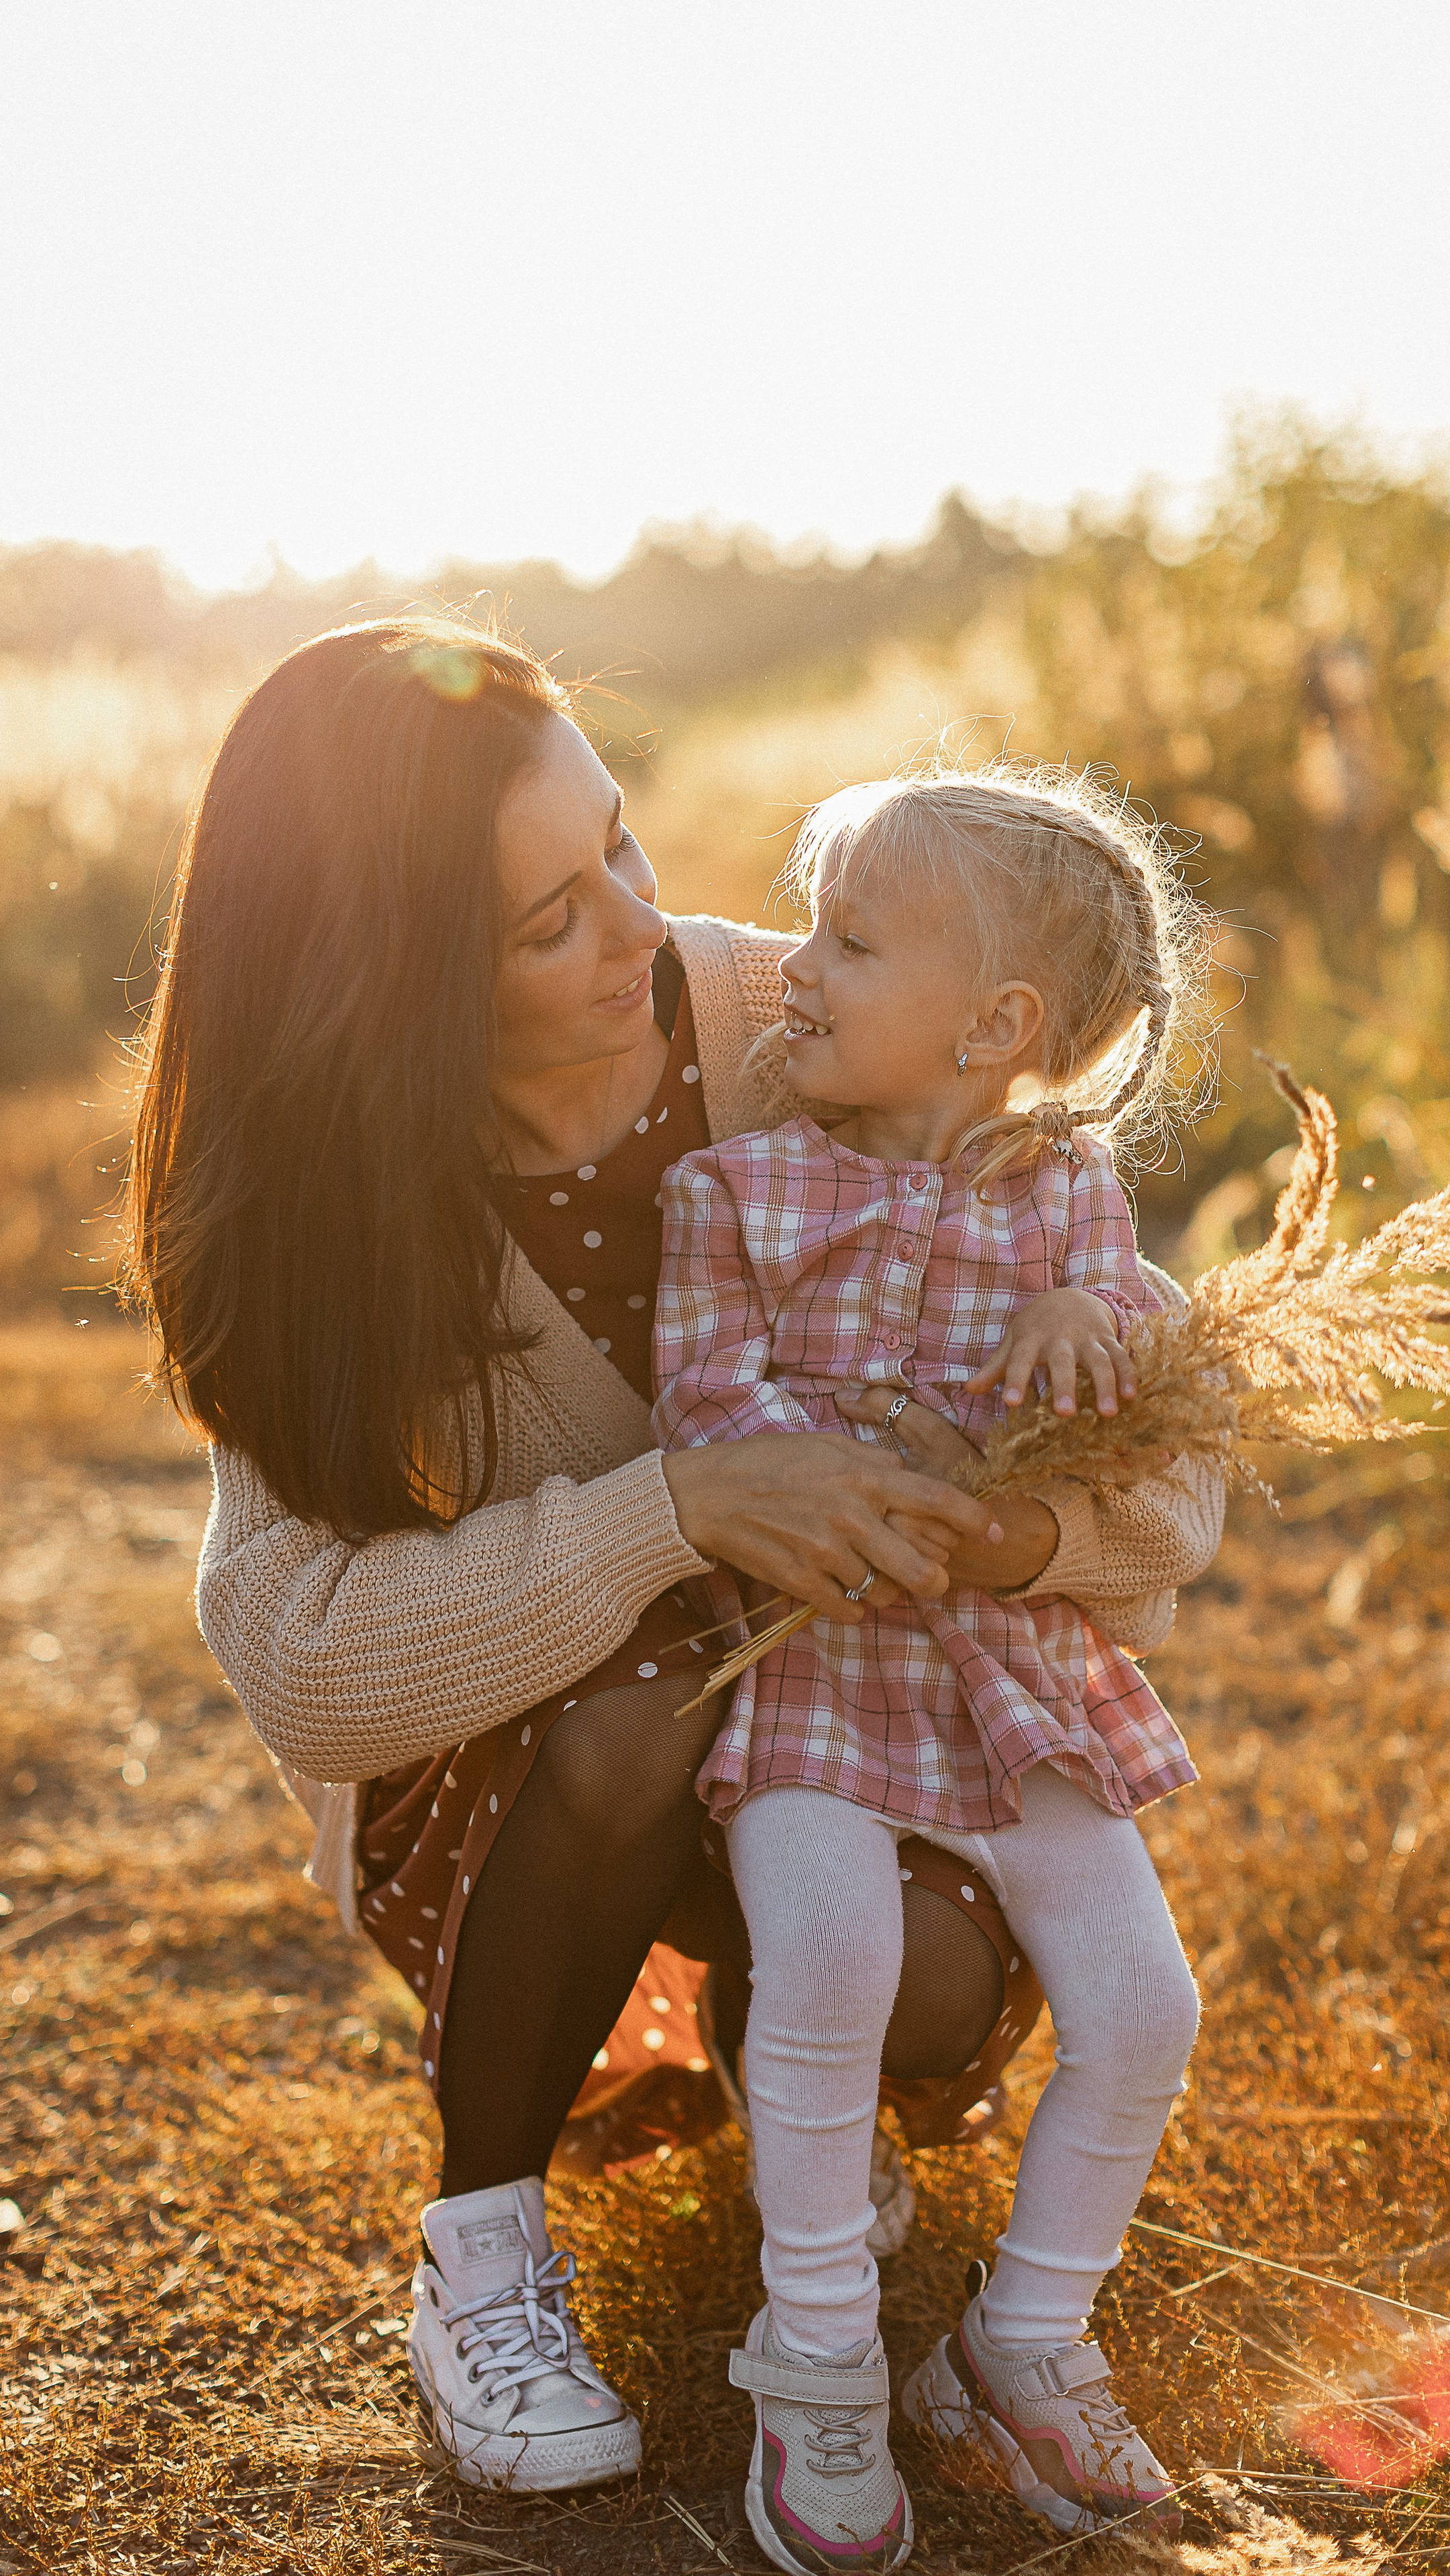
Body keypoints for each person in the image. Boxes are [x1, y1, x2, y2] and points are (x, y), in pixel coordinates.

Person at [125, 625, 1222, 2500]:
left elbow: (1162, 1472)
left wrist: (1022, 1524)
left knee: (943, 1990)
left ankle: (769, 2040)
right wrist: (677, 1511)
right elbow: (301, 1660)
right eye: (553, 919)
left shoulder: (796, 1023)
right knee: (638, 1710)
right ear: (387, 990)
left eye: (622, 846)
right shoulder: (317, 1208)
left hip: (841, 1703)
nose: (643, 925)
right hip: (534, 1757)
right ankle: (479, 2250)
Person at [652, 768, 1214, 2569]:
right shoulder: (735, 1191)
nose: (794, 968)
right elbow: (708, 1398)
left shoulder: (1070, 1195)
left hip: (1013, 1670)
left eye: (849, 939)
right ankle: (817, 2351)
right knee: (826, 1952)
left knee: (1144, 2007)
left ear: (996, 1031)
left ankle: (1022, 2338)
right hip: (825, 1656)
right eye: (808, 922)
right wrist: (825, 1481)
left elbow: (1154, 1340)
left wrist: (1093, 1320)